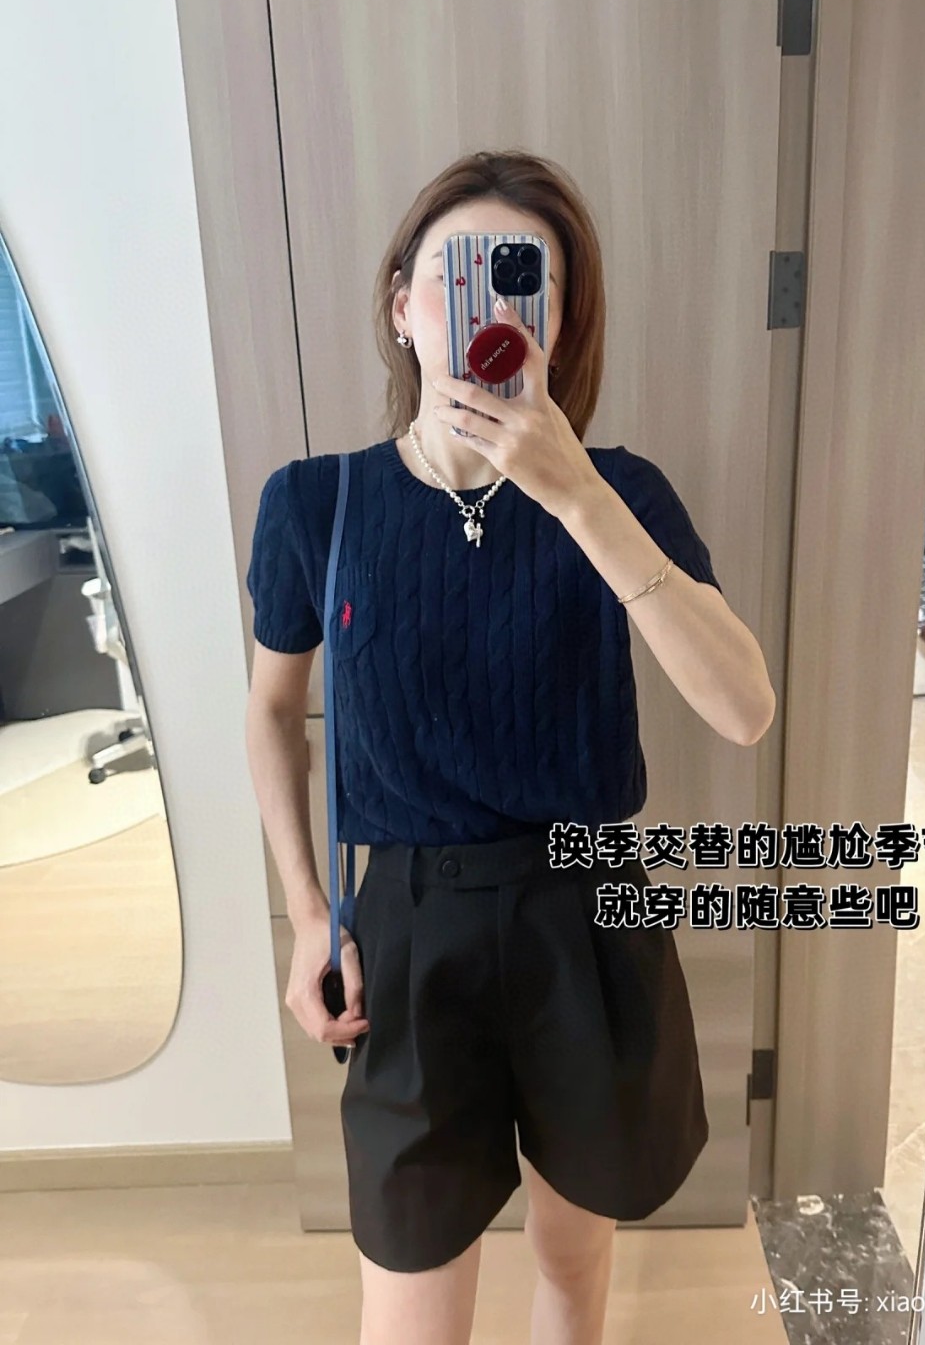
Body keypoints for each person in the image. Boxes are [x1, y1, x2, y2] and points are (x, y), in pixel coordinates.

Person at [245, 149, 775, 1345]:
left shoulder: (621, 491)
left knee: (570, 1266)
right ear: (401, 306)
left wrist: (575, 495)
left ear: (561, 319)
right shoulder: (317, 505)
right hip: (409, 928)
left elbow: (744, 707)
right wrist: (308, 913)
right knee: (409, 1304)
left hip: (587, 916)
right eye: (455, 275)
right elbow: (273, 712)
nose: (485, 307)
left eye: (523, 278)